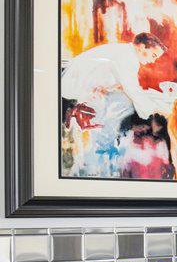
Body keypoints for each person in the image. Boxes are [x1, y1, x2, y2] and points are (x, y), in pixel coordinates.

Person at [60, 33, 170, 178]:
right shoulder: (127, 57)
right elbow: (132, 89)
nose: (153, 60)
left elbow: (122, 86)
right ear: (142, 47)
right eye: (153, 55)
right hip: (68, 89)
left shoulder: (124, 52)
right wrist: (154, 110)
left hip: (74, 88)